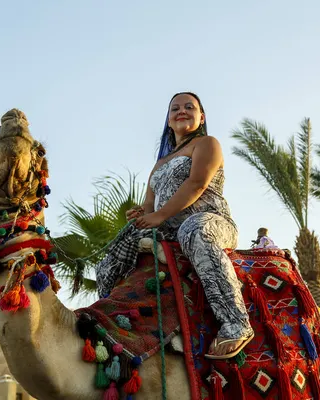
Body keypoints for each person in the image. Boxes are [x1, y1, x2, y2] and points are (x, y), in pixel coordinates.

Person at [96, 92, 254, 359]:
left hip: (210, 221)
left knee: (193, 229)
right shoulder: (159, 165)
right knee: (110, 260)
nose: (182, 111)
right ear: (168, 121)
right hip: (168, 229)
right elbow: (150, 207)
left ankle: (236, 322)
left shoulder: (207, 144)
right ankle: (113, 328)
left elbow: (197, 183)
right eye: (175, 109)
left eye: (189, 107)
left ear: (201, 117)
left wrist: (159, 215)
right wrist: (142, 216)